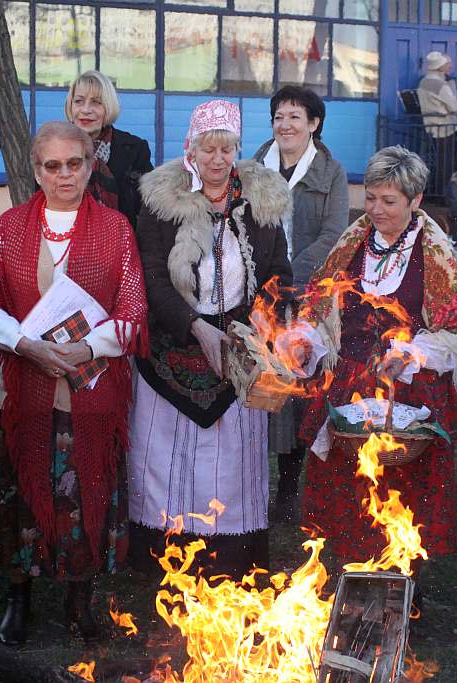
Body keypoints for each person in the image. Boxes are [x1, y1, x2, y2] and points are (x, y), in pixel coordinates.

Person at [0, 121, 148, 644]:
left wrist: (86, 348)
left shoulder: (116, 229)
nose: (65, 174)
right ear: (36, 170)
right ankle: (19, 598)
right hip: (28, 386)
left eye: (75, 163)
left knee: (88, 486)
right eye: (53, 165)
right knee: (24, 489)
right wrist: (27, 346)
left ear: (90, 165)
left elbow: (134, 311)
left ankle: (80, 599)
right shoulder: (9, 227)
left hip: (92, 388)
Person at [127, 100, 291, 577]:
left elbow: (278, 273)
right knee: (169, 459)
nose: (218, 159)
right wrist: (195, 327)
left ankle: (230, 561)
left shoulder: (261, 201)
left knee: (231, 460)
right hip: (172, 343)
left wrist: (262, 327)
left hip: (240, 341)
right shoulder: (161, 202)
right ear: (191, 150)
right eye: (208, 148)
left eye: (227, 148)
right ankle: (168, 562)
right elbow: (153, 278)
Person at [298, 146, 457, 576]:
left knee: (401, 493)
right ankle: (347, 581)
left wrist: (411, 352)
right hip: (350, 386)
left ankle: (399, 589)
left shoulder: (434, 253)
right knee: (348, 487)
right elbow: (317, 307)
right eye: (371, 198)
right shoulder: (351, 243)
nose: (376, 209)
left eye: (389, 201)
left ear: (415, 201)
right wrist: (306, 339)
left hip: (409, 389)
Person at [253, 85, 348, 522]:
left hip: (306, 298)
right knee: (257, 389)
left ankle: (289, 490)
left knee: (296, 395)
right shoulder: (253, 167)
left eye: (295, 116)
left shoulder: (332, 173)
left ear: (314, 123)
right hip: (257, 296)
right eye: (278, 117)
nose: (285, 125)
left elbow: (333, 235)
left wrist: (291, 275)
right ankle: (252, 485)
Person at [65, 70, 153, 228]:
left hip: (122, 245)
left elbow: (148, 212)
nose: (86, 110)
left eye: (96, 102)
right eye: (79, 101)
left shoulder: (135, 150)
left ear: (108, 106)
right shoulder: (54, 147)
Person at [417, 51, 457, 194]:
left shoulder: (423, 82)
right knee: (446, 161)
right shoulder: (440, 84)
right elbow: (455, 107)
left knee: (437, 161)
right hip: (445, 127)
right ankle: (443, 192)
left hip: (430, 125)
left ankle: (434, 190)